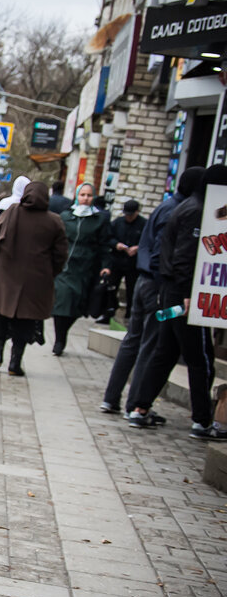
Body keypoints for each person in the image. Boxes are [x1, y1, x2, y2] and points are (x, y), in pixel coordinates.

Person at [126, 165, 227, 439]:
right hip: (184, 298)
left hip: (173, 293)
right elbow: (185, 257)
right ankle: (203, 421)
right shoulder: (197, 211)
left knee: (166, 352)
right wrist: (187, 294)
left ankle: (140, 409)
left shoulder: (189, 207)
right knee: (199, 357)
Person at [100, 167, 203, 417]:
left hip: (144, 282)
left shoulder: (167, 206)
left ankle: (112, 399)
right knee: (152, 342)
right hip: (157, 287)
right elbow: (162, 254)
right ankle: (135, 405)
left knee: (134, 340)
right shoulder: (181, 212)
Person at [0, 181, 68, 376]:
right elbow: (61, 254)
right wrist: (49, 273)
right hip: (36, 282)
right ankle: (15, 363)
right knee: (25, 323)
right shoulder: (54, 221)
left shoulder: (12, 211)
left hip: (5, 276)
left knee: (0, 317)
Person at [51, 183, 113, 355]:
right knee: (62, 301)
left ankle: (64, 331)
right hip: (65, 266)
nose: (85, 198)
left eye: (89, 195)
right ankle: (59, 339)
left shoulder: (100, 219)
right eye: (82, 195)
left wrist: (106, 266)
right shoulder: (66, 216)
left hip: (86, 267)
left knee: (77, 306)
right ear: (77, 196)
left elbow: (105, 245)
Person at [103, 199, 145, 322]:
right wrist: (116, 245)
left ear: (137, 212)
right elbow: (108, 238)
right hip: (117, 260)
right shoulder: (118, 223)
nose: (128, 217)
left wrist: (137, 248)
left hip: (133, 264)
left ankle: (130, 314)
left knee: (132, 289)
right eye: (127, 214)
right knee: (111, 287)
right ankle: (108, 311)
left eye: (131, 215)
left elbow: (148, 242)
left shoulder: (143, 224)